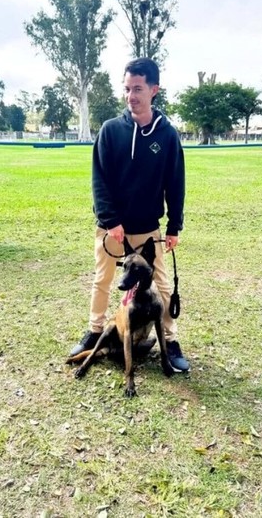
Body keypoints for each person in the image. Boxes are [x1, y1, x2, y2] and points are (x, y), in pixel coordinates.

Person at [69, 57, 190, 373]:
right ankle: (95, 331)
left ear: (154, 90)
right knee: (103, 280)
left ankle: (171, 340)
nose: (131, 96)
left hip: (148, 230)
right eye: (127, 89)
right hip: (112, 230)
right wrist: (110, 221)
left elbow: (175, 183)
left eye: (138, 89)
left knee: (162, 286)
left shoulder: (167, 135)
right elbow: (100, 180)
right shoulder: (110, 131)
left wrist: (174, 225)